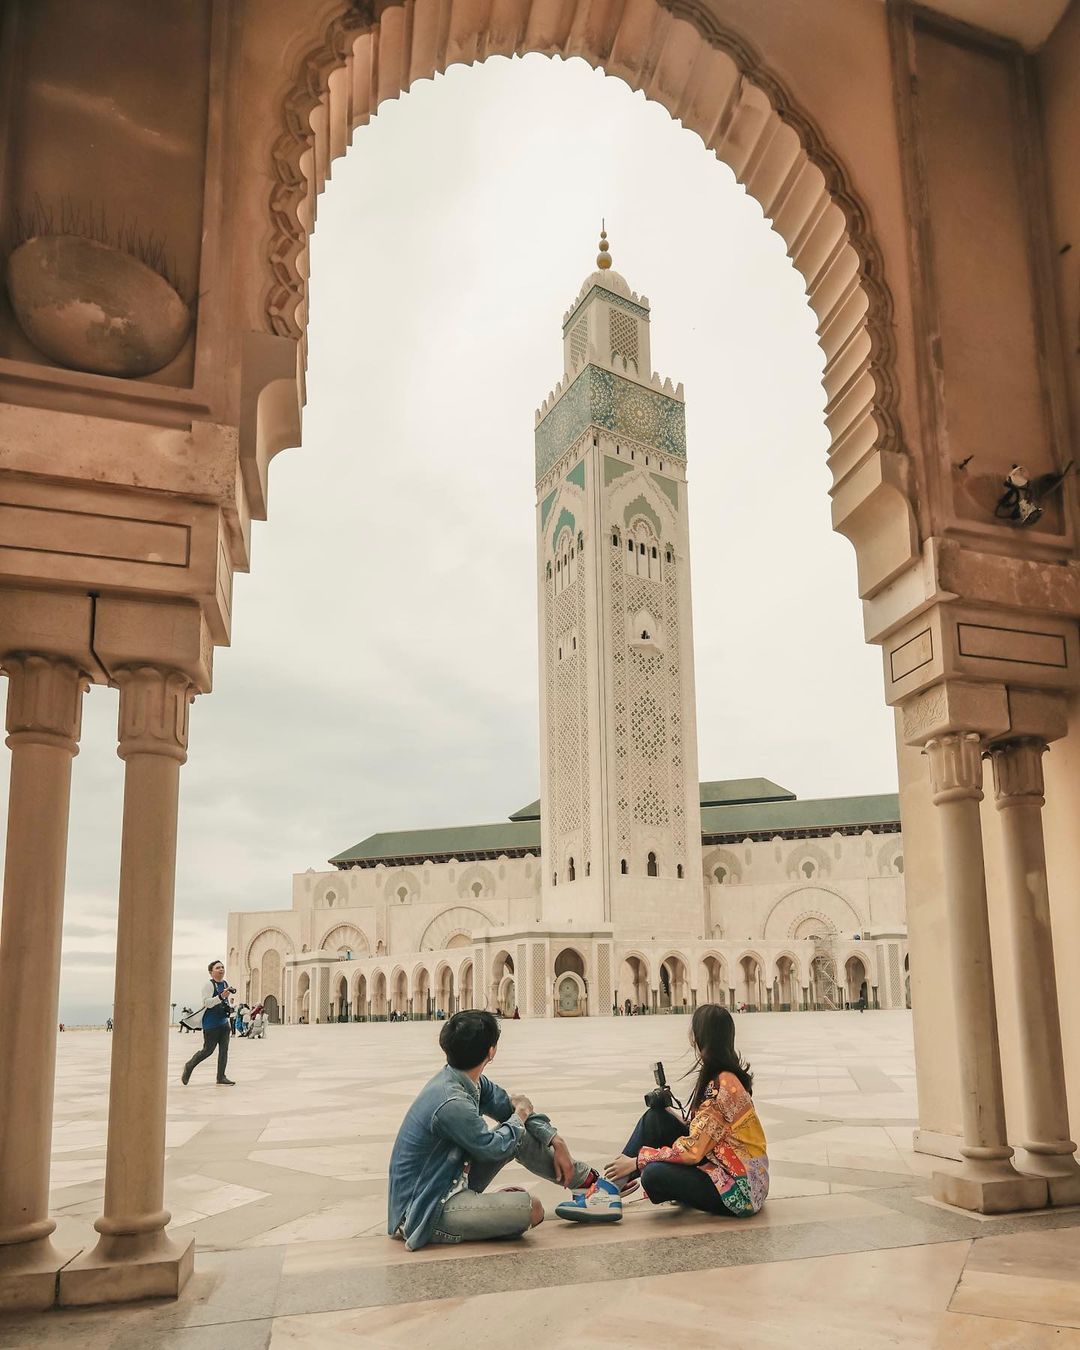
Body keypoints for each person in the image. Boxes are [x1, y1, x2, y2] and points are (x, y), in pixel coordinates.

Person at [387, 1010, 615, 1249]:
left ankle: (589, 1184)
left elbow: (513, 1112)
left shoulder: (467, 1080)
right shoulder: (451, 1102)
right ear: (491, 1052)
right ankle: (486, 1211)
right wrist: (521, 1114)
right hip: (424, 1210)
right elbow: (495, 1146)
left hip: (446, 1179)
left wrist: (555, 1139)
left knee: (516, 1134)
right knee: (532, 1209)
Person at [596, 1003, 768, 1220]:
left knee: (652, 1174)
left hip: (741, 1191)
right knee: (656, 1118)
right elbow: (706, 1135)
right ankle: (608, 1189)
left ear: (699, 1039)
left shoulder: (722, 1088)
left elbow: (693, 1150)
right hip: (728, 1169)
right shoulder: (724, 1076)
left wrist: (637, 1162)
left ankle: (606, 1191)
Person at [180, 960, 236, 1086]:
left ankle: (221, 1076)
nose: (221, 969)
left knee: (224, 1050)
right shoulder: (209, 985)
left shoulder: (225, 983)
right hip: (211, 1024)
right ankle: (189, 1065)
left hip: (224, 1023)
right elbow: (207, 1003)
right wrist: (221, 997)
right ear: (211, 972)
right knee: (208, 1050)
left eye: (222, 967)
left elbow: (224, 1001)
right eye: (218, 968)